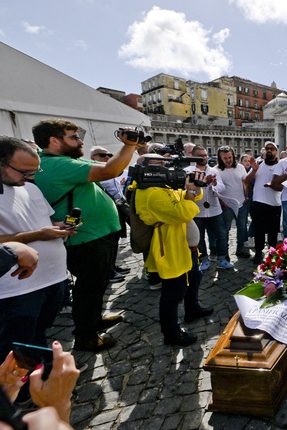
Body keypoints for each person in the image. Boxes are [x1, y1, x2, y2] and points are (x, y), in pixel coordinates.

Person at [32, 120, 137, 352]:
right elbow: (110, 170)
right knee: (88, 288)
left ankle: (94, 320)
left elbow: (111, 165)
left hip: (95, 236)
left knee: (95, 285)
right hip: (88, 239)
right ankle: (86, 337)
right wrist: (130, 145)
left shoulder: (62, 162)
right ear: (54, 140)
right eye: (74, 136)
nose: (80, 141)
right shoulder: (58, 165)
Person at [0, 137, 74, 367]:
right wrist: (36, 235)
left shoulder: (29, 186)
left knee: (38, 333)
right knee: (15, 346)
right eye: (24, 171)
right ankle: (21, 395)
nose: (30, 177)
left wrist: (57, 227)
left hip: (53, 278)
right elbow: (33, 232)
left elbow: (42, 220)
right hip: (17, 289)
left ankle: (42, 376)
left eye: (34, 171)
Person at [134, 160, 211, 346]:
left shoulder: (164, 187)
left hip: (184, 245)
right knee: (173, 292)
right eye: (158, 164)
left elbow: (187, 196)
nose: (164, 168)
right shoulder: (151, 193)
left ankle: (192, 309)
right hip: (169, 247)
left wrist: (195, 187)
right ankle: (171, 333)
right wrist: (191, 193)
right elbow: (182, 213)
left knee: (194, 277)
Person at [185, 145, 234, 271]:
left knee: (222, 235)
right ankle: (204, 260)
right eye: (200, 155)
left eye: (205, 155)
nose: (204, 157)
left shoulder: (214, 170)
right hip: (197, 211)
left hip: (214, 209)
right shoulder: (188, 171)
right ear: (193, 156)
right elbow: (185, 190)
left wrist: (214, 184)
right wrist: (199, 185)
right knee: (199, 238)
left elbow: (222, 187)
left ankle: (222, 259)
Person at [89, 146, 129, 283]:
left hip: (117, 209)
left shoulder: (110, 171)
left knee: (114, 241)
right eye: (102, 155)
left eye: (109, 155)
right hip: (101, 214)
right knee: (106, 245)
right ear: (93, 157)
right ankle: (108, 272)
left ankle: (112, 267)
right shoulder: (94, 171)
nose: (107, 157)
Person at [246, 142, 282, 264]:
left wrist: (273, 186)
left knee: (273, 231)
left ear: (276, 151)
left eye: (272, 149)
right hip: (258, 202)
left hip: (274, 203)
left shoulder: (281, 166)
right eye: (267, 149)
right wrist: (253, 171)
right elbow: (246, 180)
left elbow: (282, 187)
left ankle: (272, 253)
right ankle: (258, 252)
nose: (269, 151)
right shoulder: (259, 164)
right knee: (259, 230)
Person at [214, 146, 250, 259]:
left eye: (230, 157)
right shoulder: (216, 170)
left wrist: (246, 195)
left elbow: (245, 182)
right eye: (225, 158)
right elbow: (216, 188)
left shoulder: (240, 167)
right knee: (225, 230)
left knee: (242, 228)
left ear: (233, 156)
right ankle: (225, 254)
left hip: (241, 203)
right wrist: (221, 201)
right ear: (220, 158)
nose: (228, 160)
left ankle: (240, 249)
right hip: (226, 205)